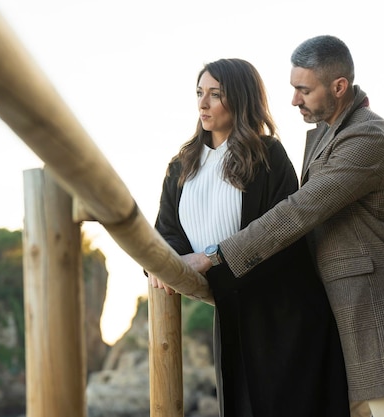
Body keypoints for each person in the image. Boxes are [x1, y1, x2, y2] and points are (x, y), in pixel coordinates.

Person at [181, 37, 384, 417]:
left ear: (339, 87)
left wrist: (215, 256)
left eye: (304, 90)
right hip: (334, 310)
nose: (295, 100)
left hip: (372, 304)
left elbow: (298, 211)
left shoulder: (368, 137)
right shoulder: (327, 133)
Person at [148, 58, 349, 417]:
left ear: (240, 99)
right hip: (233, 310)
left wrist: (212, 261)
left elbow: (284, 232)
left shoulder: (267, 154)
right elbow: (166, 232)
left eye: (215, 94)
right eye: (199, 93)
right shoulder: (181, 166)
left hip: (287, 313)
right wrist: (164, 266)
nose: (203, 104)